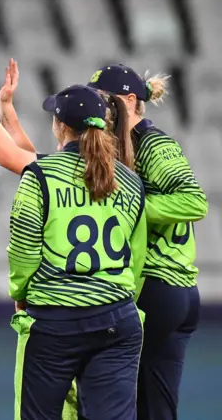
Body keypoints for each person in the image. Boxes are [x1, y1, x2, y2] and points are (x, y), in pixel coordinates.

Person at [0, 77, 147, 418]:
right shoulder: (131, 181)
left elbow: (23, 250)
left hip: (55, 321)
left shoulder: (41, 175)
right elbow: (134, 258)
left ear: (60, 126)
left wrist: (20, 293)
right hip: (116, 319)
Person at [87, 64, 208, 420]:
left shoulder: (153, 143)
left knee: (124, 402)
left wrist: (129, 207)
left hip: (159, 286)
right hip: (173, 289)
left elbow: (193, 201)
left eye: (104, 101)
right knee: (155, 409)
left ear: (128, 101)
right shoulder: (124, 143)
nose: (100, 109)